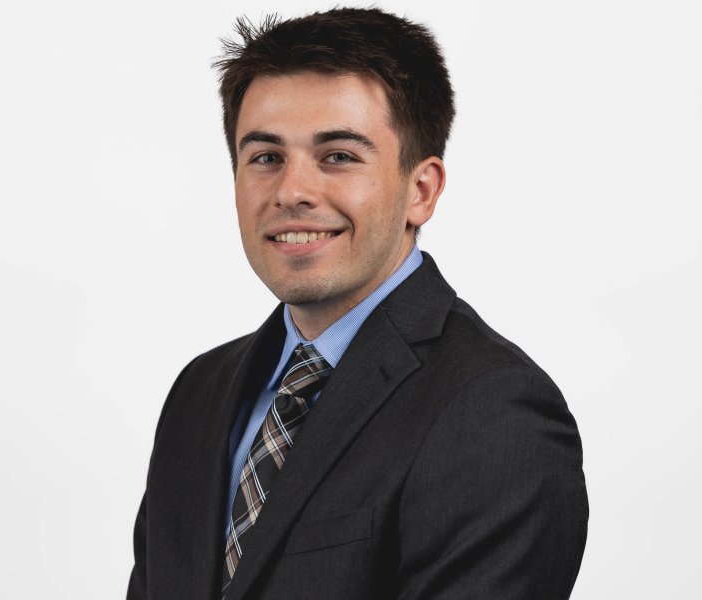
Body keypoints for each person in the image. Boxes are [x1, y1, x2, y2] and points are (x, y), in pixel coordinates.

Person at [127, 7, 588, 599]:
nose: (291, 191)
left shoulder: (495, 412)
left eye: (338, 156)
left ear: (421, 190)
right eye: (265, 157)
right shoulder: (199, 393)